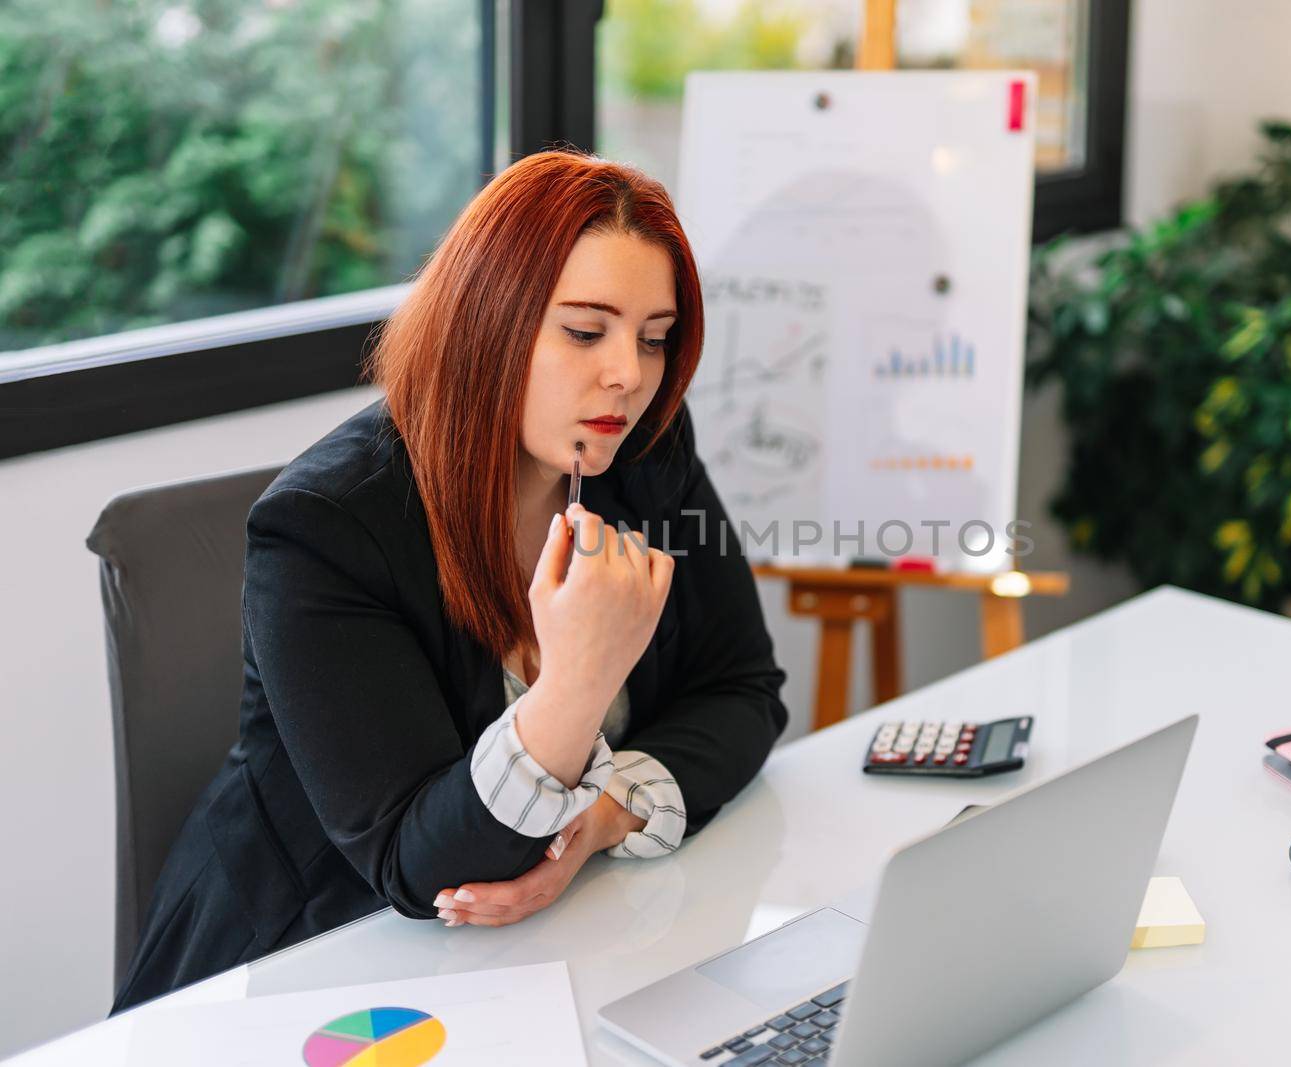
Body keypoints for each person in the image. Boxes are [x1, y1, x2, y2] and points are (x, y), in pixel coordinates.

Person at [112, 150, 789, 1010]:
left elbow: (744, 688)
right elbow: (424, 864)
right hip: (306, 972)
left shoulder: (646, 453)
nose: (630, 373)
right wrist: (577, 682)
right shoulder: (324, 527)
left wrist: (606, 814)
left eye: (654, 338)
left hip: (538, 960)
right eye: (586, 330)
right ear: (486, 322)